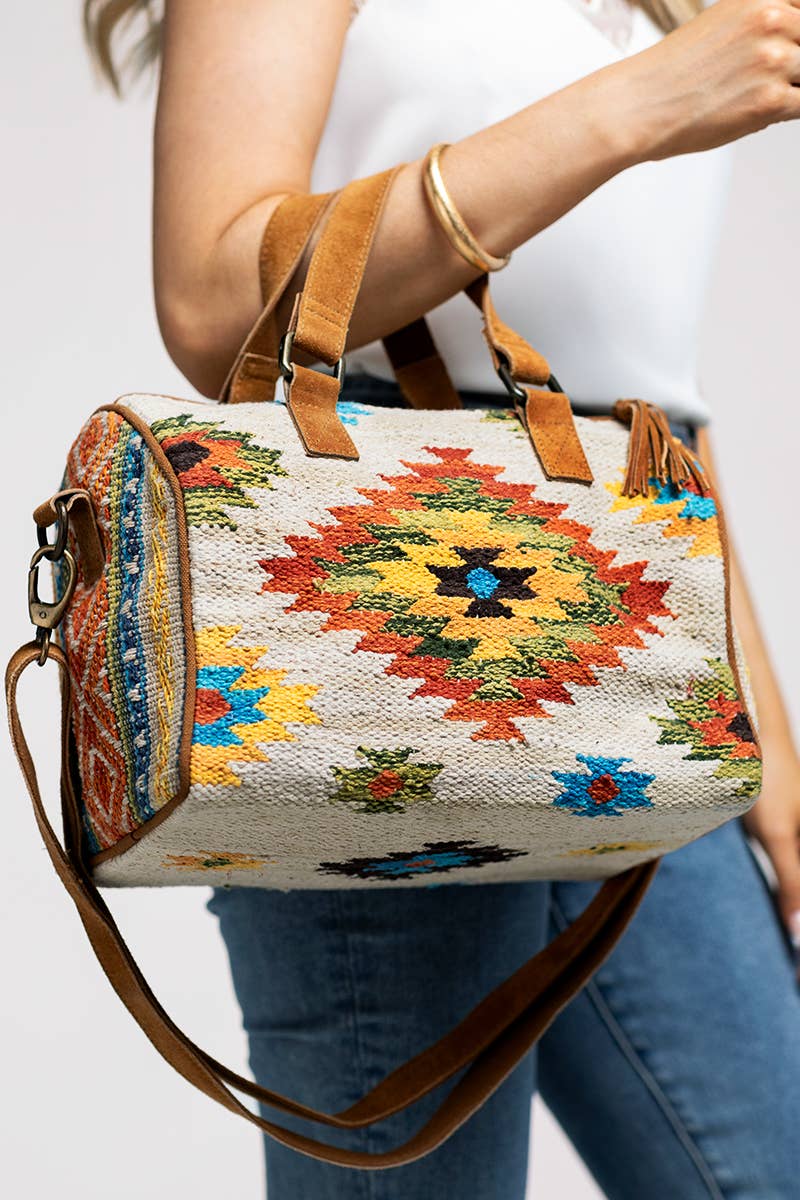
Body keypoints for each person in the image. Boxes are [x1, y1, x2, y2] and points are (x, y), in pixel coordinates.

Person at [85, 1, 800, 1196]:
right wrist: (630, 107)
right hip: (370, 605)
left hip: (632, 616)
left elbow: (644, 388)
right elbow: (215, 305)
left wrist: (762, 732)